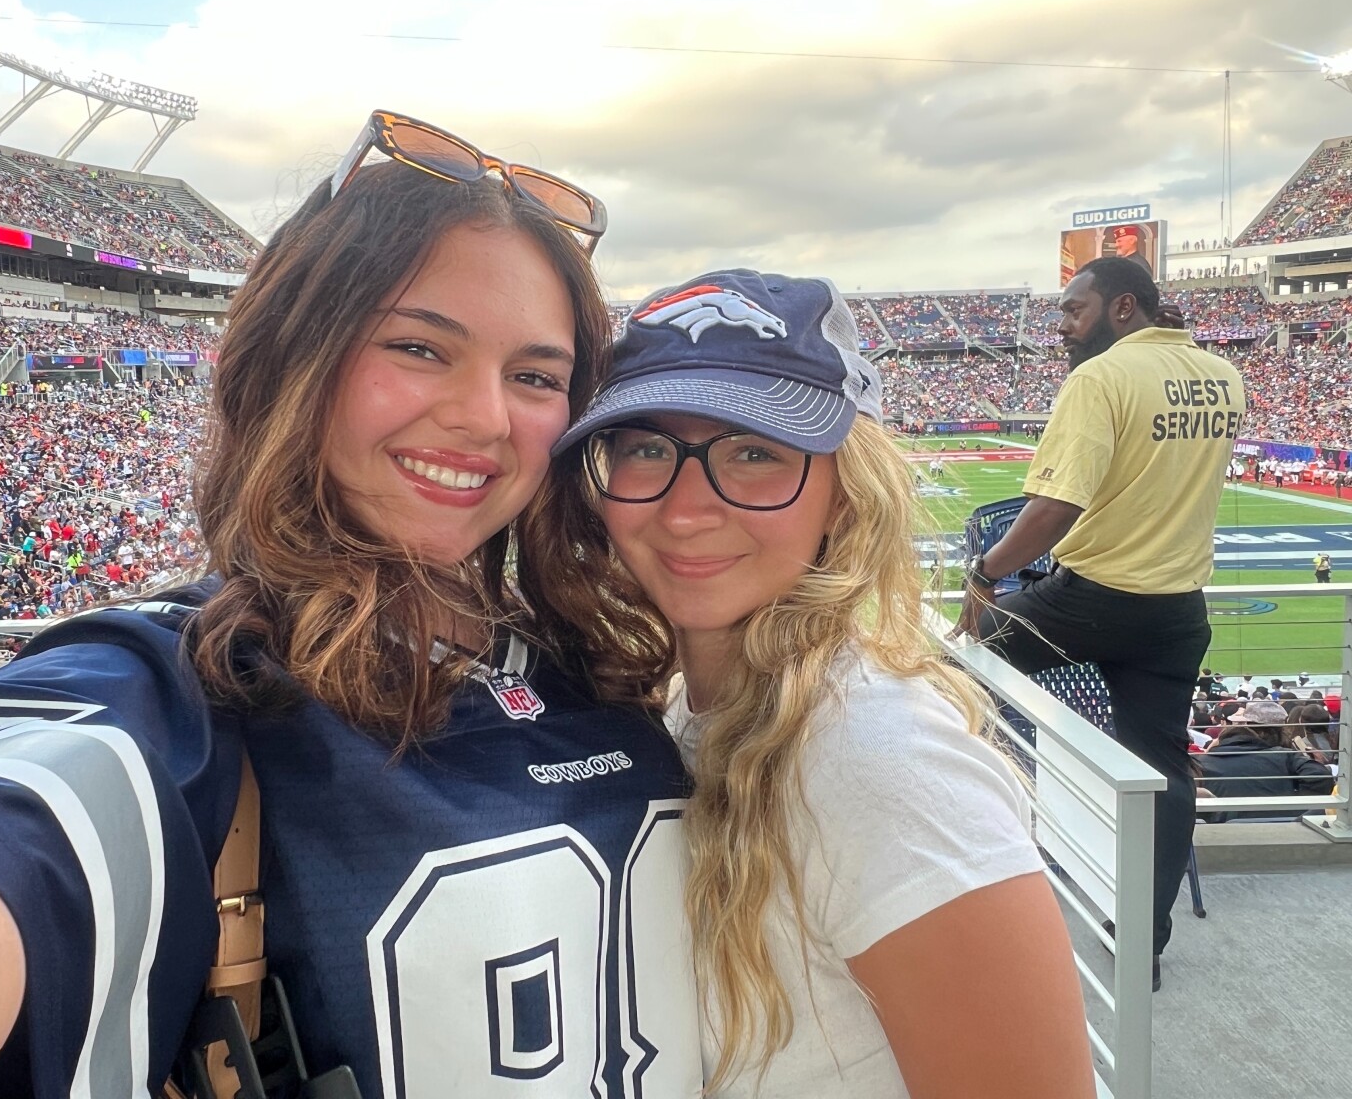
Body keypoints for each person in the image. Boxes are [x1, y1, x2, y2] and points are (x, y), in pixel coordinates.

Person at [0, 111, 702, 1099]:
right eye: (421, 348)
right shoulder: (180, 691)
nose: (485, 417)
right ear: (295, 359)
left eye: (536, 376)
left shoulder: (598, 659)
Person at [559, 269, 1093, 1098]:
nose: (686, 510)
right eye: (648, 448)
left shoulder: (884, 767)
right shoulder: (687, 705)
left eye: (754, 453)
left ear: (846, 493)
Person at [955, 256, 1246, 986]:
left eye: (1072, 310)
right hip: (1177, 611)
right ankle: (1143, 944)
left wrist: (984, 572)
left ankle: (970, 880)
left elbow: (1054, 508)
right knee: (1164, 772)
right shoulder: (1222, 375)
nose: (1061, 326)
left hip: (1088, 602)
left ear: (1122, 308)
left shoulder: (1100, 378)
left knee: (952, 669)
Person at [1195, 702, 1335, 815]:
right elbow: (1321, 777)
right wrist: (1292, 810)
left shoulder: (1203, 762)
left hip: (1221, 833)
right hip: (1279, 831)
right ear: (1281, 731)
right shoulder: (1287, 757)